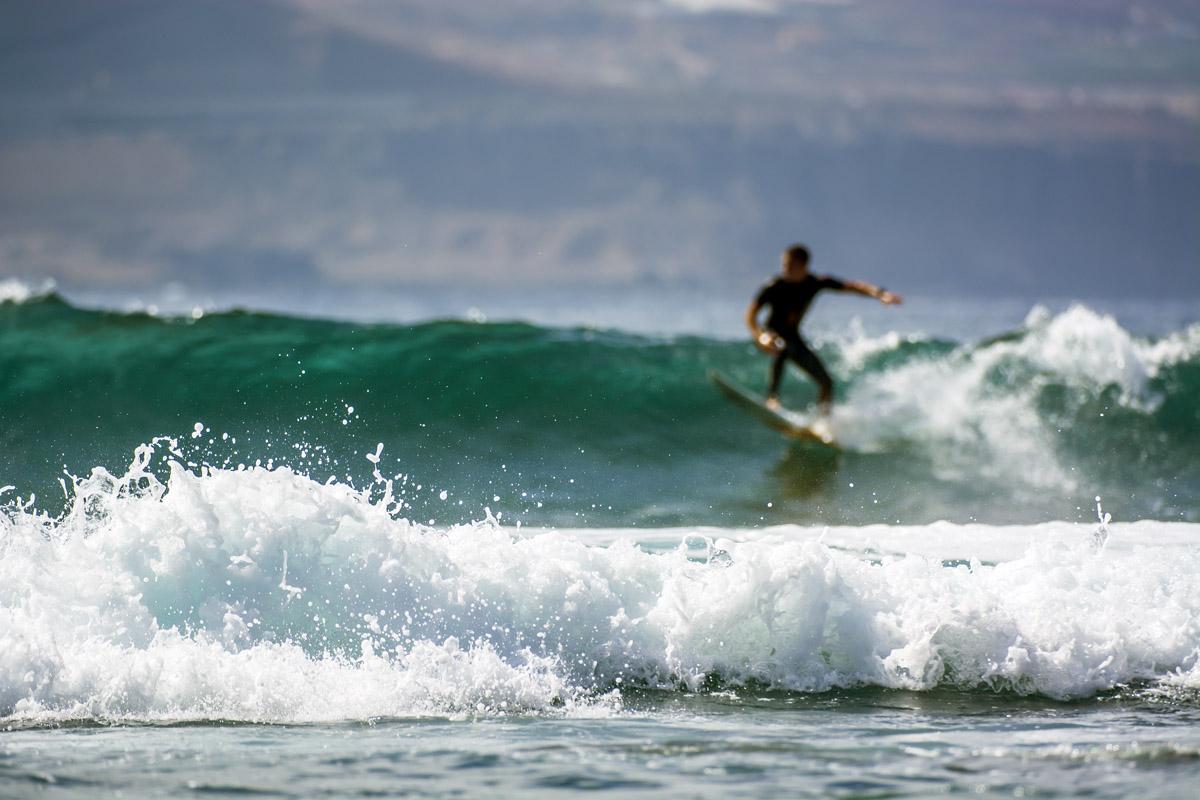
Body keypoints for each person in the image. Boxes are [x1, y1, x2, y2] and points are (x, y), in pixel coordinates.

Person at [745, 244, 901, 414]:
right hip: (770, 334)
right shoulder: (773, 286)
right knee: (781, 345)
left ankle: (823, 420)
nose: (784, 269)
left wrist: (880, 293)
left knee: (827, 382)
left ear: (803, 266)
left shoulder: (815, 283)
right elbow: (750, 316)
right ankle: (771, 398)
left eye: (789, 265)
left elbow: (852, 286)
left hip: (793, 336)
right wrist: (759, 336)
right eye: (783, 264)